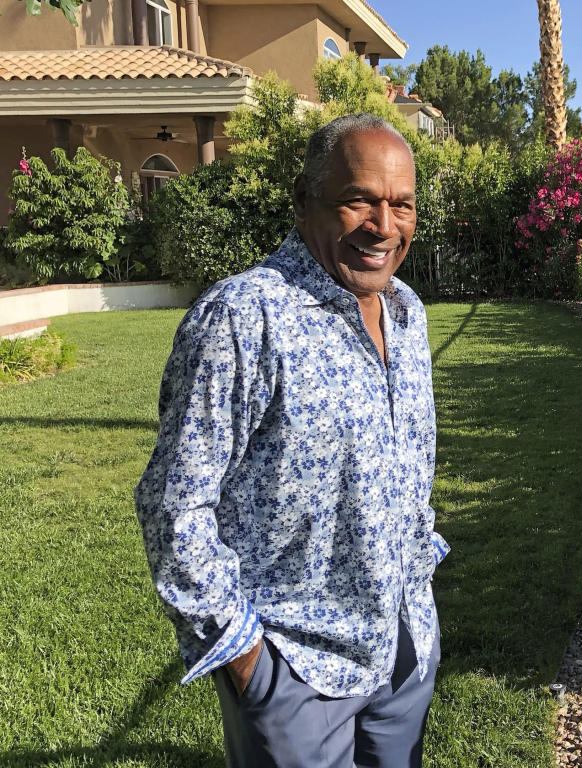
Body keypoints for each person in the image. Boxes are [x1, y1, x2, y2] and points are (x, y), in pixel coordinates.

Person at [134, 113, 449, 768]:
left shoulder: (406, 311)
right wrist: (249, 661)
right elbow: (174, 509)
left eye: (401, 205)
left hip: (403, 647)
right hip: (296, 671)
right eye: (358, 200)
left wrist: (418, 575)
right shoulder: (243, 319)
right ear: (305, 200)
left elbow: (408, 465)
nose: (383, 227)